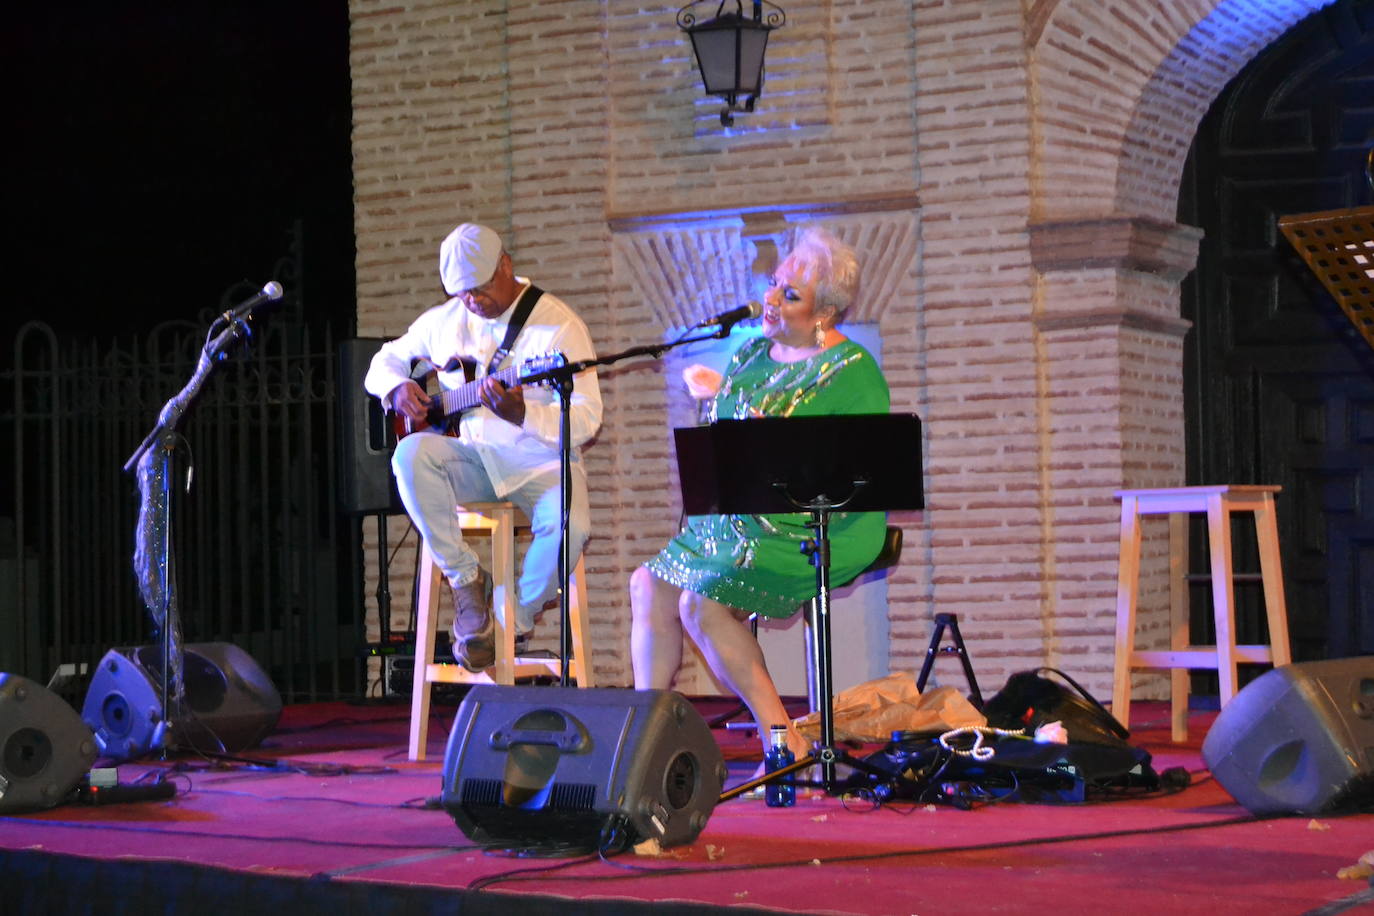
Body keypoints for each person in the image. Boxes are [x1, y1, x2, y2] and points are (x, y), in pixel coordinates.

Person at [630, 227, 890, 762]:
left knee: (700, 603)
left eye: (790, 295)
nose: (771, 299)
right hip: (741, 517)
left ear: (825, 314)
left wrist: (747, 419)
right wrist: (716, 398)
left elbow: (841, 468)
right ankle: (643, 743)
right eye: (775, 285)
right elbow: (730, 444)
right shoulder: (750, 354)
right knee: (646, 584)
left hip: (818, 524)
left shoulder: (851, 371)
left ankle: (784, 739)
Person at [365, 223, 602, 671]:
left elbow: (589, 418)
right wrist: (397, 388)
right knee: (409, 454)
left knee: (572, 525)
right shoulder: (444, 321)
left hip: (540, 463)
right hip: (473, 459)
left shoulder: (557, 326)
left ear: (505, 265)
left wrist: (523, 413)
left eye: (479, 288)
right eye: (462, 293)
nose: (472, 301)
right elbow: (384, 360)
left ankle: (508, 619)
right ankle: (466, 578)